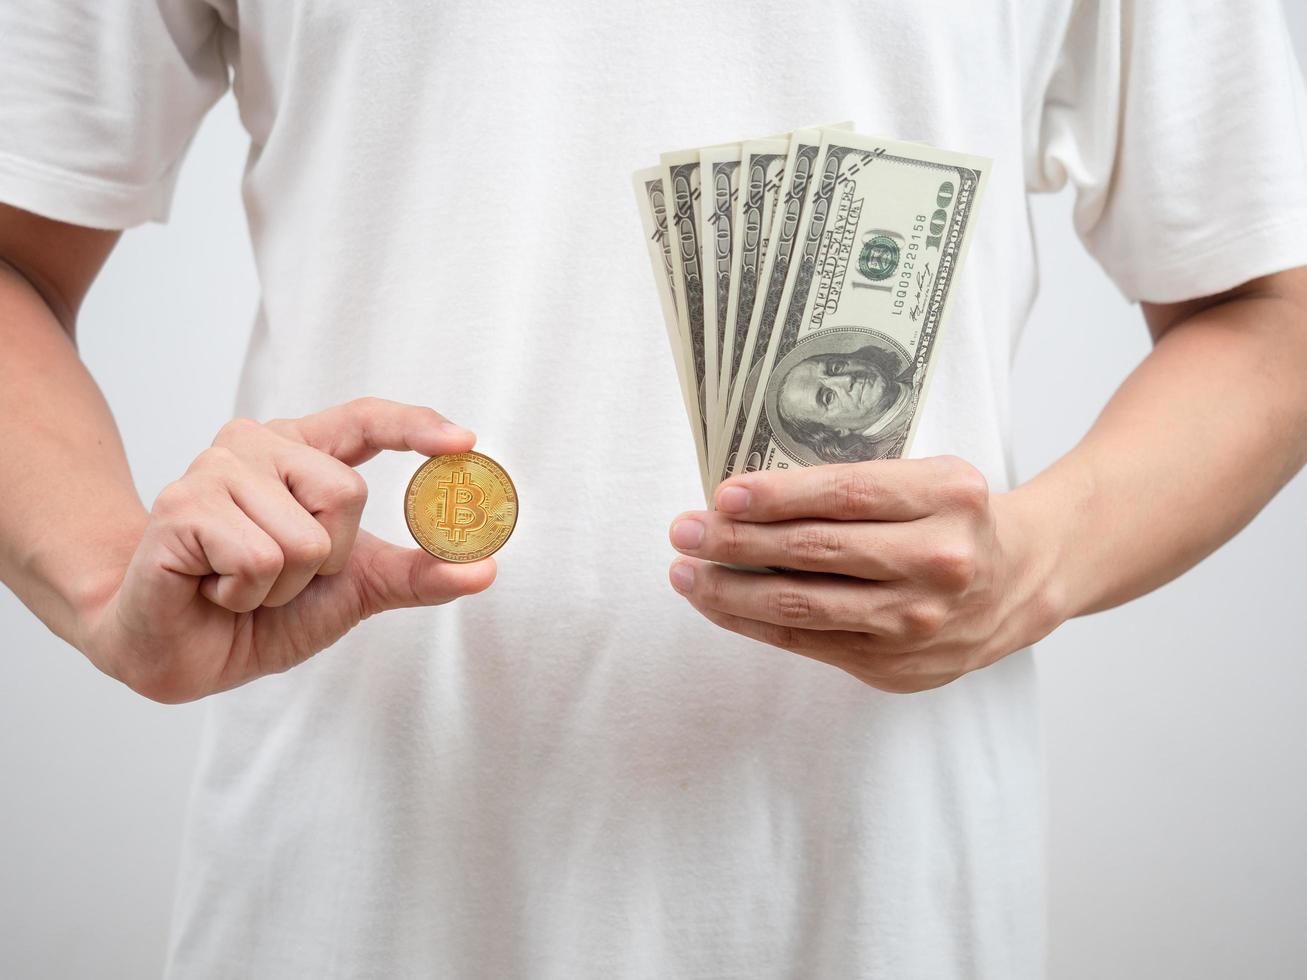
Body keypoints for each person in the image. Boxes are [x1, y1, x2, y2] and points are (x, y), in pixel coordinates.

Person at [2, 1, 1305, 977]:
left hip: (877, 899)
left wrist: (1037, 560)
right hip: (344, 888)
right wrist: (102, 575)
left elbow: (1268, 307)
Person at [772, 335, 915, 463]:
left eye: (835, 368)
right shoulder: (894, 463)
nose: (847, 379)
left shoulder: (926, 363)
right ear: (836, 431)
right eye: (828, 397)